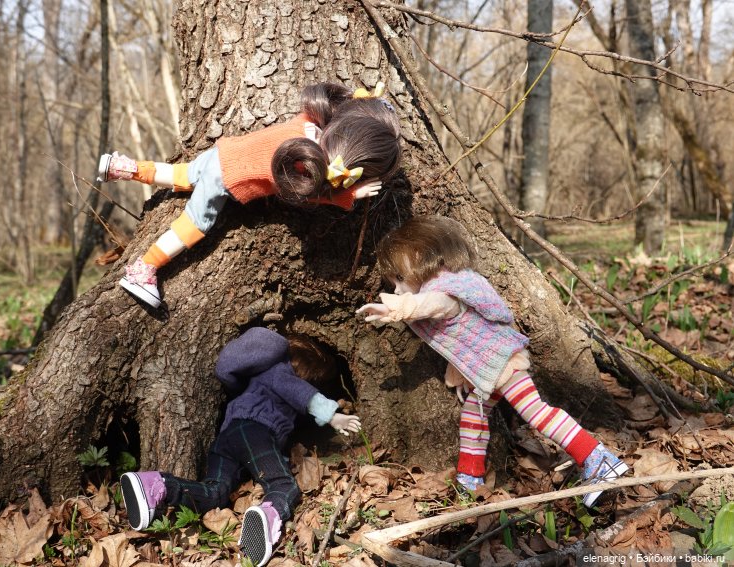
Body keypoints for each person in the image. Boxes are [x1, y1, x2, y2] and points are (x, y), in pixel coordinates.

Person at [356, 215, 629, 507]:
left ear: (420, 257)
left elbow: (432, 306)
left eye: (399, 278)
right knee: (474, 414)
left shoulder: (445, 291)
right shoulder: (456, 283)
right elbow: (462, 339)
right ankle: (469, 478)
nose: (397, 288)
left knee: (537, 413)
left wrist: (398, 308)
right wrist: (462, 372)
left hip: (503, 364)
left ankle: (598, 459)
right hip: (492, 368)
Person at [98, 82, 401, 308]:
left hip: (220, 154)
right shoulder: (303, 164)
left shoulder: (308, 124)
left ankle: (122, 167)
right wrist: (345, 196)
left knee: (181, 174)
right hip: (226, 178)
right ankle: (145, 268)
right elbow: (303, 195)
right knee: (194, 225)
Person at [120, 327, 361, 566]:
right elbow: (300, 392)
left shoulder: (253, 380)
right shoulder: (281, 373)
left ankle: (157, 486)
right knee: (283, 484)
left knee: (215, 492)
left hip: (227, 436)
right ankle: (268, 516)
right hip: (256, 432)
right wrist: (332, 416)